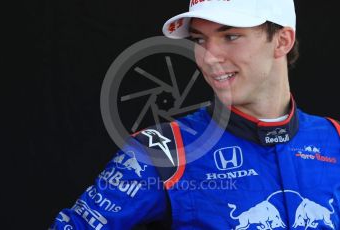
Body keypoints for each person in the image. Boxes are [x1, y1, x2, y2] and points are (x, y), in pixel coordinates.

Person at [50, 0, 340, 229]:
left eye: (230, 35)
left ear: (282, 40)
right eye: (200, 40)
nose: (208, 57)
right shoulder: (162, 150)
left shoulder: (335, 139)